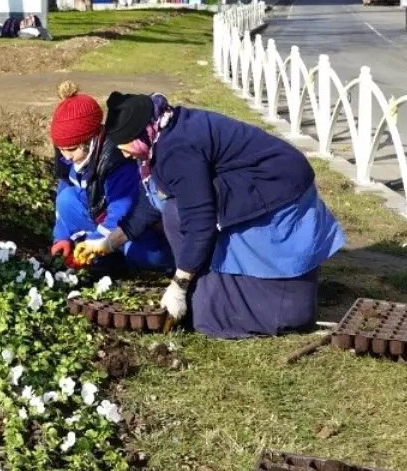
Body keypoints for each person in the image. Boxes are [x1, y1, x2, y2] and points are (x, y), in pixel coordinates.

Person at [75, 93, 345, 339]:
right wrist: (109, 243)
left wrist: (180, 285)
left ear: (141, 135)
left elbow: (199, 222)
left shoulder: (175, 150)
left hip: (278, 193)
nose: (122, 153)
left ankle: (268, 307)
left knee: (178, 218)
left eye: (124, 146)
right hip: (263, 183)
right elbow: (152, 198)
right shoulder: (162, 132)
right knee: (175, 214)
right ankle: (213, 289)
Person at [48, 82, 172, 270]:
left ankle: (115, 253)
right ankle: (99, 249)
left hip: (132, 224)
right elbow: (64, 189)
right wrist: (62, 236)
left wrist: (96, 244)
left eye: (72, 149)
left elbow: (121, 210)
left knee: (147, 256)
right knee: (66, 198)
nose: (67, 156)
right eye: (61, 149)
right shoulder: (68, 152)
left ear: (91, 140)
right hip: (98, 213)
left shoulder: (117, 160)